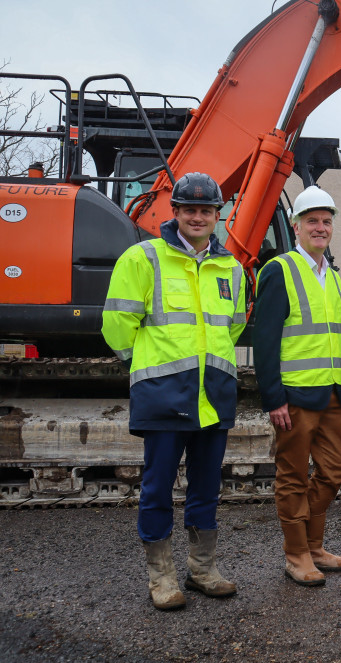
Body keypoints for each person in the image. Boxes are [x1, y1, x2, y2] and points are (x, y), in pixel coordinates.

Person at [102, 172, 245, 610]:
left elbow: (233, 326)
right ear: (175, 212)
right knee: (158, 486)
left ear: (217, 215)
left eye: (206, 210)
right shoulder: (142, 258)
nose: (198, 216)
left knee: (205, 486)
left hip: (213, 394)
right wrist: (147, 366)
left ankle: (202, 569)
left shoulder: (231, 268)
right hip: (164, 393)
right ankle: (161, 577)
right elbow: (116, 328)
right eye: (189, 209)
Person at [252, 186, 341, 587]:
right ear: (295, 226)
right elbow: (265, 339)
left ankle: (313, 545)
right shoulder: (280, 269)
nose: (321, 227)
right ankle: (297, 554)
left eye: (327, 221)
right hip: (294, 396)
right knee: (292, 476)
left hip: (332, 395)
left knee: (335, 471)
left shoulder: (330, 274)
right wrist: (273, 396)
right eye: (312, 220)